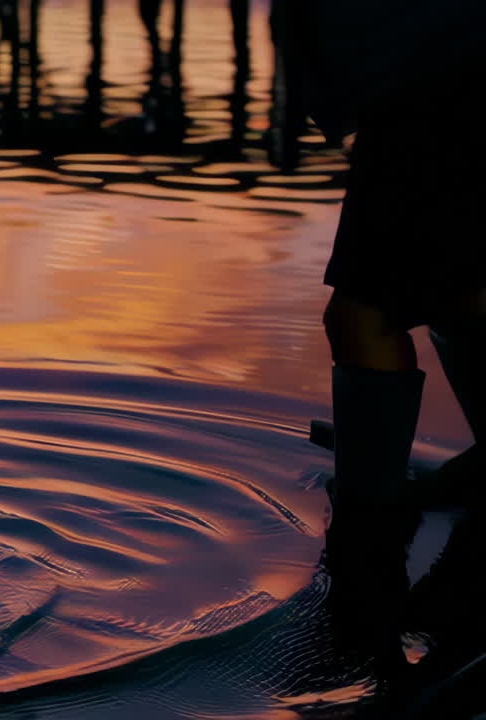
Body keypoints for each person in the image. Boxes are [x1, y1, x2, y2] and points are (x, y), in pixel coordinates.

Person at [295, 0, 486, 690]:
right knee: (458, 282)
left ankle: (366, 552)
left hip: (429, 64)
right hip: (431, 60)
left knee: (365, 313)